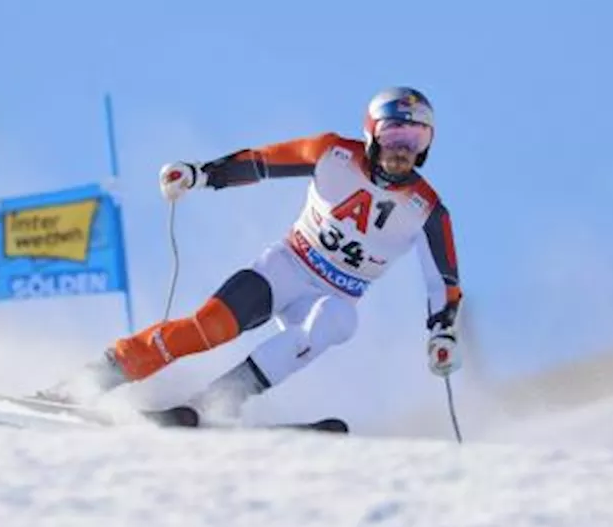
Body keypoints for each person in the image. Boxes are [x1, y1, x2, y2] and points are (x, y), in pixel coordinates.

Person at [44, 86, 464, 424]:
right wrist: (201, 174)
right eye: (394, 134)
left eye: (415, 138)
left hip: (333, 295)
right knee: (208, 328)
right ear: (373, 133)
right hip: (286, 268)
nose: (402, 148)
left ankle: (216, 402)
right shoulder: (333, 154)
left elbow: (442, 282)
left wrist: (441, 333)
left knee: (338, 321)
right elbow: (263, 162)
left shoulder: (426, 209)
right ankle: (97, 377)